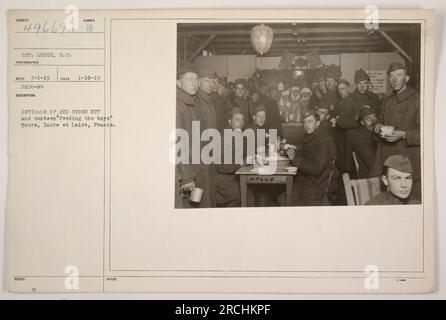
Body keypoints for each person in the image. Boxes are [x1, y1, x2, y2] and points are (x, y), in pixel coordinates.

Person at [372, 62, 421, 200]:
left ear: (407, 78)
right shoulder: (387, 101)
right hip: (386, 159)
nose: (394, 79)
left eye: (398, 75)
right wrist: (377, 128)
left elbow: (428, 133)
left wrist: (404, 134)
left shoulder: (417, 99)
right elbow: (379, 124)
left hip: (407, 161)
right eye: (391, 76)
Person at [175, 65, 214, 208]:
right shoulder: (178, 106)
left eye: (196, 78)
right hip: (188, 173)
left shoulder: (193, 103)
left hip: (199, 168)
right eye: (189, 79)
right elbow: (178, 145)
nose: (193, 83)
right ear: (178, 83)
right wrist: (187, 177)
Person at [286, 109, 337, 206]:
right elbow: (308, 154)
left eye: (310, 121)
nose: (306, 125)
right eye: (305, 122)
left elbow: (317, 168)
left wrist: (295, 159)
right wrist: (295, 152)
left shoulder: (324, 140)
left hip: (317, 185)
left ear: (318, 123)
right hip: (308, 180)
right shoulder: (313, 136)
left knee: (286, 198)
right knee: (283, 194)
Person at [215, 108, 246, 207]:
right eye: (237, 119)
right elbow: (221, 166)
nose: (240, 123)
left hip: (233, 175)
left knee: (248, 194)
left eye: (242, 120)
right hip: (223, 178)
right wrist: (241, 163)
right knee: (241, 197)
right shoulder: (225, 137)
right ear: (229, 121)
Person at [344, 105, 379, 179]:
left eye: (374, 117)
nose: (373, 121)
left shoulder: (381, 133)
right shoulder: (360, 137)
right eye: (368, 119)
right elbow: (371, 163)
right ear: (362, 123)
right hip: (370, 177)